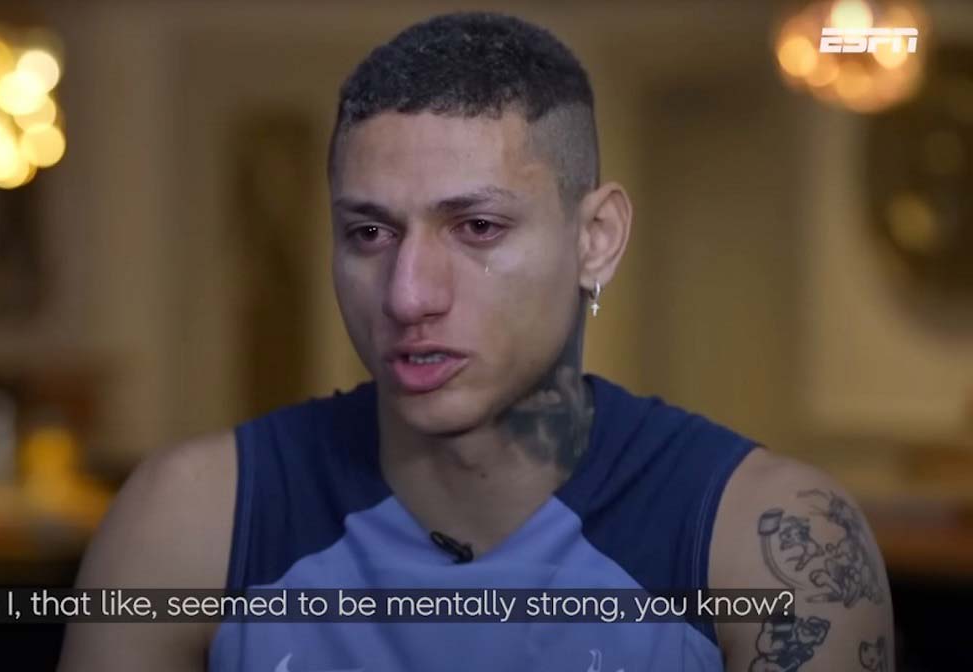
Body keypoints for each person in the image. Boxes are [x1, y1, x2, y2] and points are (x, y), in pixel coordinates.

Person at [59, 12, 894, 672]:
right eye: (370, 233)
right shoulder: (190, 521)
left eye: (478, 227)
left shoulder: (770, 544)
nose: (409, 295)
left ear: (596, 239)